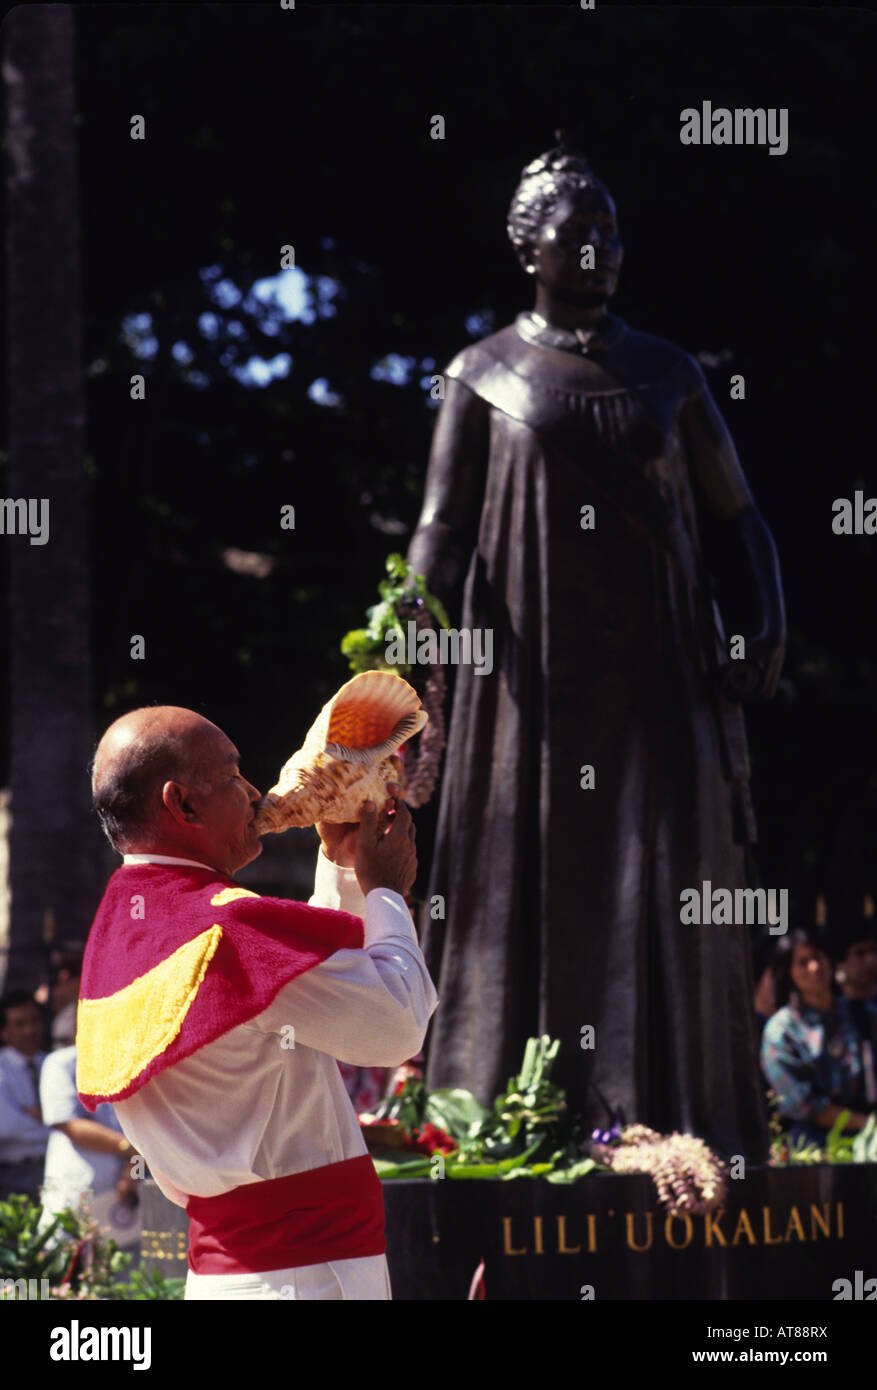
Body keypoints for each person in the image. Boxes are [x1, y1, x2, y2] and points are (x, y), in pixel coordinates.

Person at [406, 133, 785, 1159]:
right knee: (521, 875)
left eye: (612, 232)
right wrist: (406, 609)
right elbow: (443, 526)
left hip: (659, 677)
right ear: (528, 247)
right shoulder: (479, 374)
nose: (602, 248)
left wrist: (766, 616)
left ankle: (685, 1119)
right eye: (579, 233)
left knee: (659, 873)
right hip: (528, 689)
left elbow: (737, 515)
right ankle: (514, 1121)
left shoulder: (667, 372)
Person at [76, 705, 437, 1300]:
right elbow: (396, 1026)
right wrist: (387, 892)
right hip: (312, 1275)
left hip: (229, 1277)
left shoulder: (123, 926)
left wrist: (344, 866)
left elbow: (298, 994)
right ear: (183, 805)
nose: (252, 791)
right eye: (232, 775)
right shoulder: (230, 927)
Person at [761, 927, 876, 1146]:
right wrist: (868, 1123)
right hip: (815, 1146)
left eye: (817, 957)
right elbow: (805, 1105)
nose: (814, 967)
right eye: (803, 962)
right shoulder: (782, 1031)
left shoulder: (861, 1013)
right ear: (789, 972)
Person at [40, 1044, 142, 1249]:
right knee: (60, 1275)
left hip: (123, 1203)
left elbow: (146, 1133)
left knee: (122, 1275)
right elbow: (70, 1125)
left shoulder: (136, 1059)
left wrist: (134, 1171)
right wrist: (132, 1149)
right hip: (73, 1199)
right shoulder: (61, 1062)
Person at [0, 991, 51, 1202]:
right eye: (20, 1024)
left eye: (34, 1021)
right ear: (5, 1032)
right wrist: (57, 1125)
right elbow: (8, 1127)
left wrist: (37, 1117)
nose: (29, 1030)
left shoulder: (52, 1064)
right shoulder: (2, 1070)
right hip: (14, 1174)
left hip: (54, 1169)